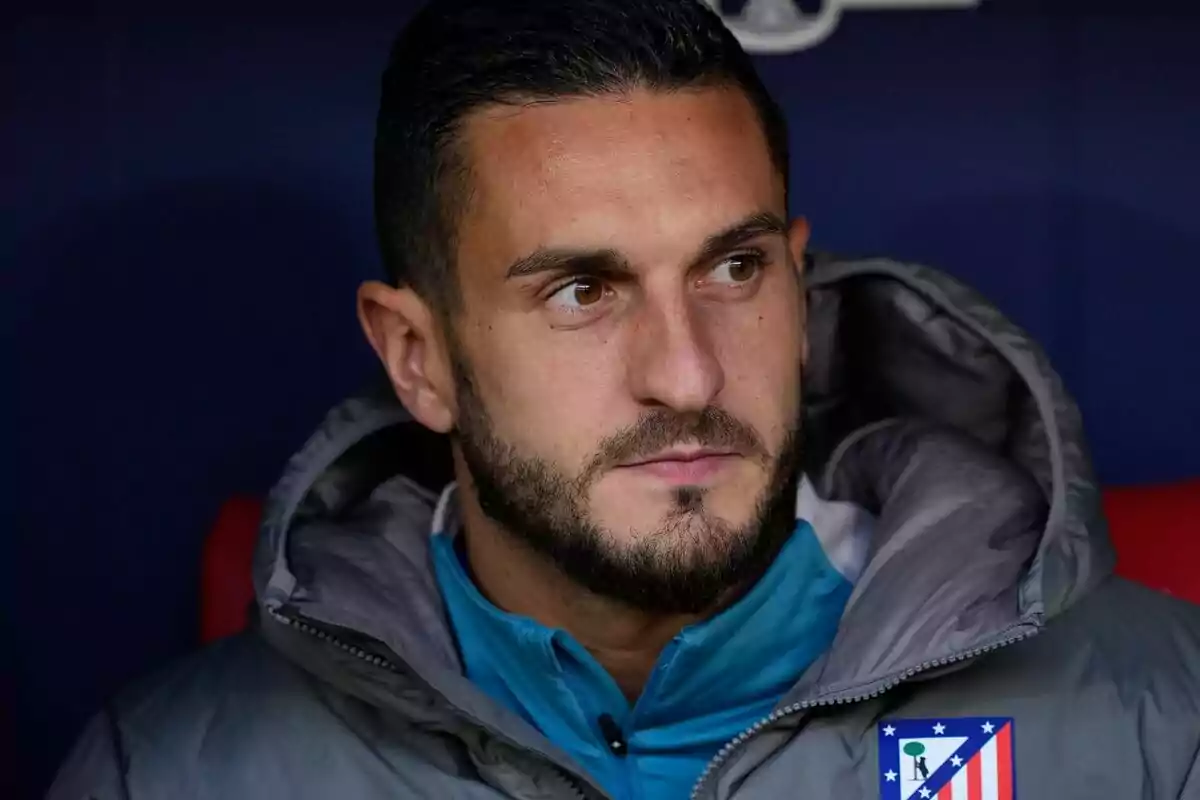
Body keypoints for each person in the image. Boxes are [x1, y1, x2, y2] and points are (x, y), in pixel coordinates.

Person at [49, 0, 1200, 798]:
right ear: (418, 358)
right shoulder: (169, 769)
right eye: (583, 290)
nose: (689, 374)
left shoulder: (1164, 719)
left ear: (799, 284)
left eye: (734, 270)